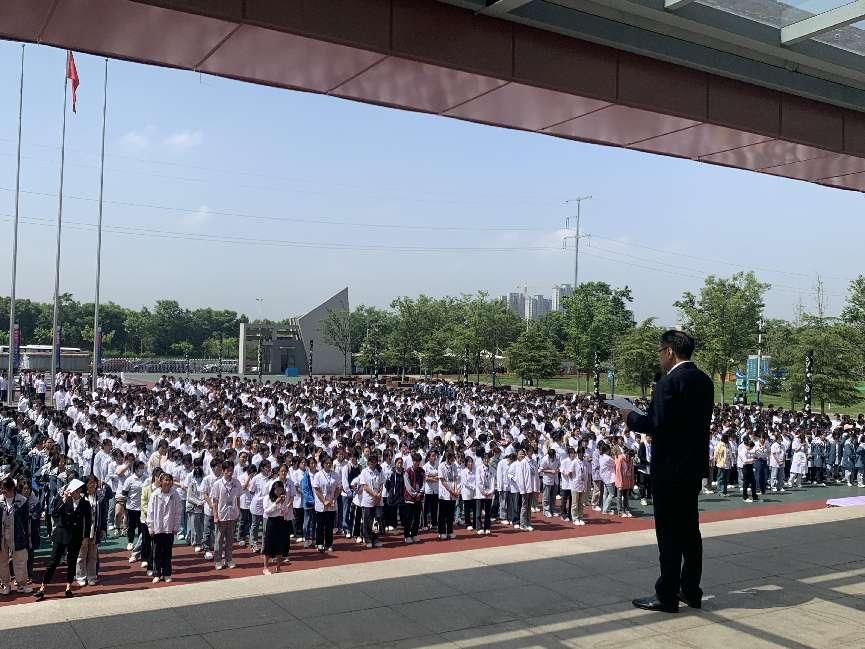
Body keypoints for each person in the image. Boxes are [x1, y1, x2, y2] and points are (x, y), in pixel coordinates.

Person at [620, 329, 713, 614]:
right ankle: (691, 590)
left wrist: (630, 417)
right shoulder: (704, 380)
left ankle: (667, 594)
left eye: (660, 351)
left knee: (669, 534)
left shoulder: (668, 383)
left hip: (669, 469)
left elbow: (655, 424)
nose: (659, 356)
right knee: (690, 532)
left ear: (670, 351)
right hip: (692, 468)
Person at [34, 477, 91, 600]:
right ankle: (43, 587)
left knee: (72, 561)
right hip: (61, 534)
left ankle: (68, 586)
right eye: (74, 490)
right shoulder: (64, 500)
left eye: (77, 490)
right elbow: (54, 513)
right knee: (53, 561)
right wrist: (64, 499)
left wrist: (86, 536)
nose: (75, 493)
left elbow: (88, 521)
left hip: (75, 536)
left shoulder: (85, 503)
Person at [147, 472, 182, 583]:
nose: (168, 482)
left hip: (169, 527)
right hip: (157, 527)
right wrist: (151, 527)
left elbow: (178, 512)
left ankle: (167, 574)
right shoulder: (155, 495)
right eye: (165, 480)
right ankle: (157, 574)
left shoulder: (175, 495)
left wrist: (176, 526)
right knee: (157, 552)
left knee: (167, 552)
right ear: (161, 482)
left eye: (169, 480)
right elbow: (150, 512)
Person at [0, 477, 31, 595]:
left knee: (20, 560)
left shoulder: (22, 500)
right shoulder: (0, 500)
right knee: (2, 561)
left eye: (6, 489)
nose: (4, 491)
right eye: (2, 489)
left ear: (12, 488)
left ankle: (22, 584)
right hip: (2, 535)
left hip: (18, 535)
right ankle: (6, 584)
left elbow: (25, 520)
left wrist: (26, 536)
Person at [75, 475, 108, 586]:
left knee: (93, 556)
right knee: (81, 555)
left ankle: (91, 576)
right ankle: (80, 576)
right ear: (85, 484)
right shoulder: (81, 497)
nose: (92, 484)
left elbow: (104, 514)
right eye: (90, 482)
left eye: (94, 482)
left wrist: (103, 529)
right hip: (83, 530)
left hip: (95, 530)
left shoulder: (100, 497)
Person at [210, 460, 241, 570]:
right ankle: (218, 560)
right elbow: (215, 501)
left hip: (232, 514)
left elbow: (238, 498)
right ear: (223, 471)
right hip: (221, 515)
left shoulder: (236, 483)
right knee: (219, 539)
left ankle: (229, 559)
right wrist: (215, 516)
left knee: (230, 539)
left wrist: (238, 511)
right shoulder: (217, 484)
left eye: (231, 470)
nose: (230, 473)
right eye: (227, 470)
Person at [312, 454, 340, 552]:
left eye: (330, 463)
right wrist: (324, 501)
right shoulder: (318, 475)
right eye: (326, 463)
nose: (328, 465)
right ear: (323, 464)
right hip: (321, 504)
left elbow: (338, 488)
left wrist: (333, 499)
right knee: (320, 525)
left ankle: (329, 544)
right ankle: (319, 543)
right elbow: (317, 489)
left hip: (331, 504)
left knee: (329, 525)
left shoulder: (335, 475)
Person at [263, 480, 291, 574]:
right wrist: (276, 503)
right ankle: (265, 567)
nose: (279, 492)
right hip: (271, 521)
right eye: (277, 490)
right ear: (273, 490)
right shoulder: (267, 498)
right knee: (269, 544)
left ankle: (278, 567)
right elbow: (267, 511)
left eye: (281, 490)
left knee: (280, 544)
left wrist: (283, 504)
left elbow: (285, 512)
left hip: (281, 521)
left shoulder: (283, 498)